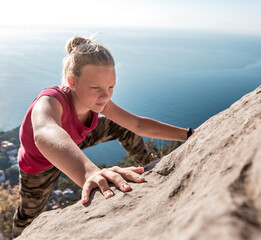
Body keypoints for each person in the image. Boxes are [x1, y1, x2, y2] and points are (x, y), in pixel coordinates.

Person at [12, 36, 195, 238]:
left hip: (72, 144)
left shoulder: (98, 101)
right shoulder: (50, 100)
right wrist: (90, 172)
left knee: (122, 126)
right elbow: (45, 133)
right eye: (96, 87)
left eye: (111, 87)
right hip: (40, 163)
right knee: (28, 215)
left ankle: (146, 168)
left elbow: (137, 124)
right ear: (72, 82)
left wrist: (187, 135)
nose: (105, 96)